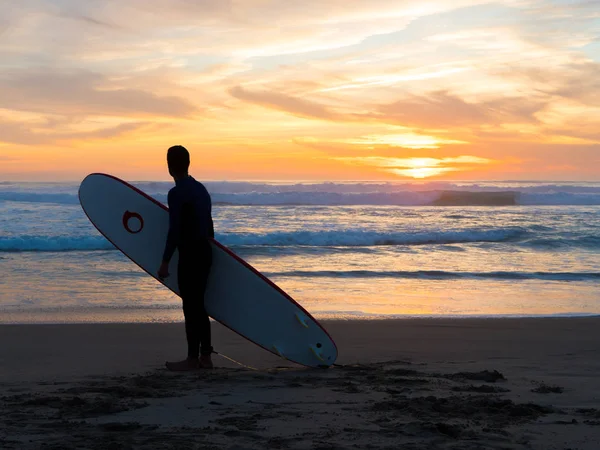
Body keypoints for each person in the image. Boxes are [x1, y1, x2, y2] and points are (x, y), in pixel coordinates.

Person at [158, 145, 215, 371]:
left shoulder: (176, 193)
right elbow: (210, 225)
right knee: (199, 305)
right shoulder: (201, 189)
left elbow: (175, 230)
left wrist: (165, 261)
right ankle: (206, 357)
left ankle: (192, 358)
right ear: (188, 163)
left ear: (170, 166)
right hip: (205, 253)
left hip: (190, 255)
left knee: (190, 307)